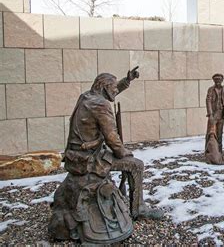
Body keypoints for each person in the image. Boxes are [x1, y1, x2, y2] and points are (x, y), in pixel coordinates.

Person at [49, 68, 161, 242]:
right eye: (114, 87)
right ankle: (139, 209)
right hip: (89, 158)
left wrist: (127, 80)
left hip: (76, 154)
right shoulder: (101, 105)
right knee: (136, 165)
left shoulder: (87, 96)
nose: (116, 90)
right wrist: (123, 152)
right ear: (103, 87)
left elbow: (110, 93)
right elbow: (111, 137)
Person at [205, 73, 224, 154]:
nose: (218, 81)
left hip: (221, 114)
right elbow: (208, 101)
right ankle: (208, 151)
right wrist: (210, 114)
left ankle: (219, 152)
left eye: (219, 79)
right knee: (210, 133)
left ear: (222, 80)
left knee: (219, 134)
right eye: (216, 79)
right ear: (213, 80)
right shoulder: (211, 89)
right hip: (213, 114)